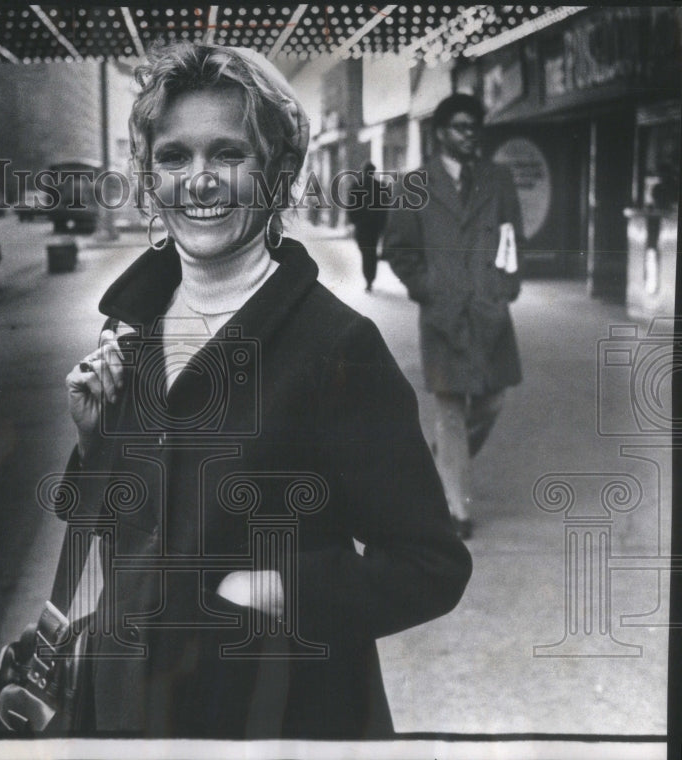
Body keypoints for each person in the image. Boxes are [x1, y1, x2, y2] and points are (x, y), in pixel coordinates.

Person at [59, 42, 471, 739]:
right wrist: (94, 442)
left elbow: (431, 565)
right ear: (150, 177)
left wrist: (281, 590)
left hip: (278, 714)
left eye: (228, 154)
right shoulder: (132, 327)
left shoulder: (337, 348)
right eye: (174, 156)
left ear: (276, 174)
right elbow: (117, 534)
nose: (200, 180)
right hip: (130, 705)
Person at [382, 93, 523, 540]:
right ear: (440, 131)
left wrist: (505, 288)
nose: (470, 135)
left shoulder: (498, 179)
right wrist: (427, 289)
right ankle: (454, 508)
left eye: (475, 127)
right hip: (443, 314)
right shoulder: (415, 183)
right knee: (449, 411)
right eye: (461, 127)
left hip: (488, 310)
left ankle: (439, 464)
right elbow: (398, 250)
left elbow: (513, 237)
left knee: (491, 401)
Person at [348, 161, 387, 292]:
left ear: (364, 171)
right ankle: (370, 278)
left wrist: (353, 220)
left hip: (362, 225)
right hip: (374, 226)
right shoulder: (380, 186)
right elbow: (386, 207)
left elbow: (351, 205)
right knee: (371, 250)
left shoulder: (356, 185)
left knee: (365, 251)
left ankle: (368, 278)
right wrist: (382, 224)